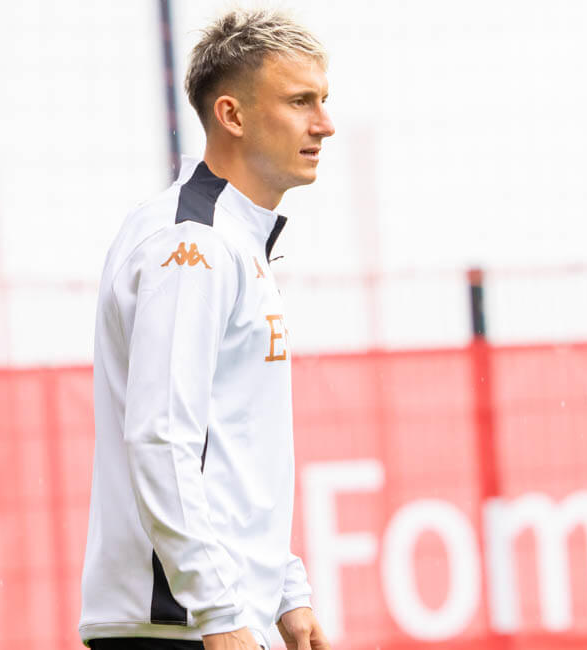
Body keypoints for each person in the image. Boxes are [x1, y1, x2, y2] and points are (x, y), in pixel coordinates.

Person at [79, 9, 334, 650]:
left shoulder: (231, 236)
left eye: (322, 101)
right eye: (300, 101)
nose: (324, 124)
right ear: (232, 115)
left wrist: (284, 589)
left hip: (212, 615)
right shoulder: (193, 243)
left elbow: (234, 442)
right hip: (180, 624)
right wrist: (219, 610)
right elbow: (161, 436)